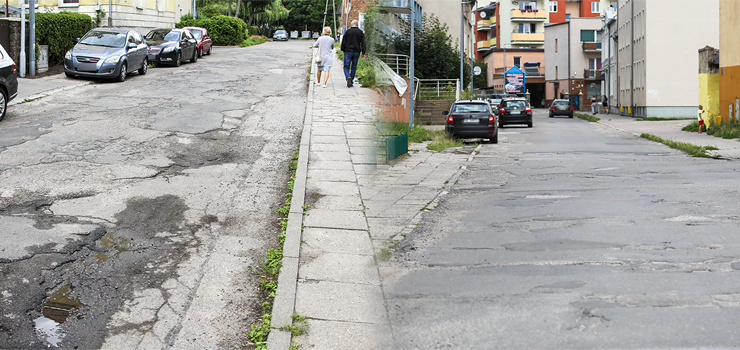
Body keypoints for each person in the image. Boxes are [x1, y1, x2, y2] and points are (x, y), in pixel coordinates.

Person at [340, 19, 366, 88]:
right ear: (357, 24)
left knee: (346, 66)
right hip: (356, 51)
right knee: (354, 67)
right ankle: (351, 81)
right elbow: (363, 43)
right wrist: (363, 52)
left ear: (351, 24)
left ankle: (348, 76)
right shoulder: (360, 32)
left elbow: (343, 41)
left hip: (348, 51)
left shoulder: (348, 31)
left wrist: (343, 49)